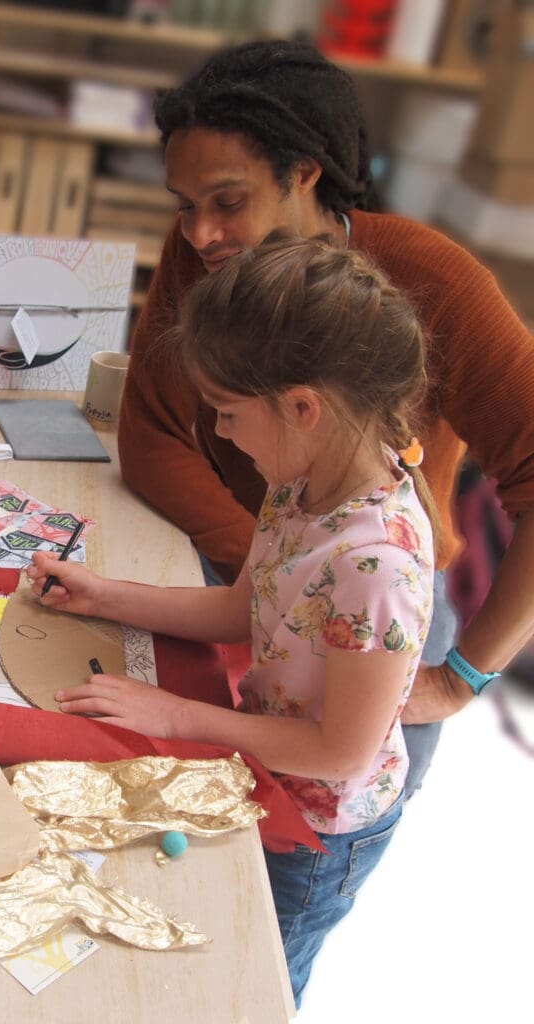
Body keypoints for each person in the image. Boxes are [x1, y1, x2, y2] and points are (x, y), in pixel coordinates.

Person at [117, 39, 534, 798]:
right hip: (277, 571)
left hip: (372, 606)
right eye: (185, 207)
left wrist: (467, 674)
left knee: (317, 843)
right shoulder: (208, 260)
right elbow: (149, 431)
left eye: (228, 201)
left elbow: (343, 753)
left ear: (304, 173)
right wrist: (278, 575)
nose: (200, 234)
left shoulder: (436, 282)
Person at [28, 233, 434, 1005]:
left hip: (320, 829)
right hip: (267, 769)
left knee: (258, 983)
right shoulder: (300, 481)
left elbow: (341, 754)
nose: (220, 435)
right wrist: (103, 595)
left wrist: (178, 715)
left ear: (302, 408)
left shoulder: (377, 567)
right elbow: (242, 610)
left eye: (226, 413)